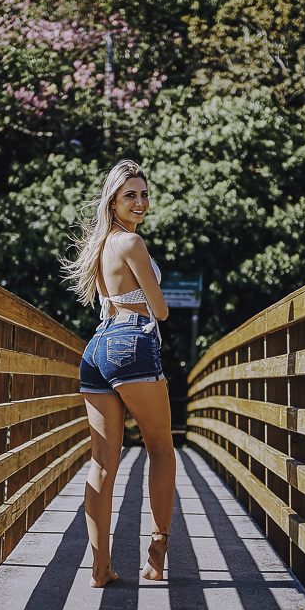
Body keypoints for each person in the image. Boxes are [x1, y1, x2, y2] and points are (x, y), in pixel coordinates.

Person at [62, 159, 176, 587]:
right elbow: (159, 310)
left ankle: (100, 567)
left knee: (102, 462)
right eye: (131, 195)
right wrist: (155, 302)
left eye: (144, 194)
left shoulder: (100, 245)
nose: (140, 202)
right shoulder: (132, 242)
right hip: (131, 340)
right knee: (160, 448)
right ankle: (156, 557)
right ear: (113, 200)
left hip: (97, 348)